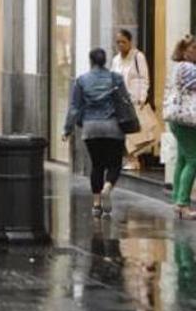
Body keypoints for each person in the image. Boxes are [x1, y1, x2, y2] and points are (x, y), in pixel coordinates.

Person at [64, 48, 131, 217]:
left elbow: (74, 108)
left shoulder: (82, 80)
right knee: (115, 164)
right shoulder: (115, 78)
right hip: (113, 127)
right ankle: (107, 187)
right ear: (105, 60)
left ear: (91, 61)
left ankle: (96, 205)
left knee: (97, 165)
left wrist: (67, 129)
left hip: (91, 128)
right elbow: (125, 102)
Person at [165, 35, 196, 220]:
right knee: (194, 160)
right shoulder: (187, 68)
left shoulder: (178, 67)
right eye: (193, 48)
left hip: (178, 119)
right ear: (185, 50)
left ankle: (177, 199)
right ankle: (183, 203)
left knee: (183, 160)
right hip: (186, 120)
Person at [111, 29, 152, 167]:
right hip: (119, 101)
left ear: (130, 42)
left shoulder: (138, 56)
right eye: (118, 42)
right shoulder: (116, 60)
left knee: (134, 131)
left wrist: (142, 97)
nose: (121, 45)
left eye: (123, 42)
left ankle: (134, 159)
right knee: (122, 131)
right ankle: (128, 158)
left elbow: (144, 78)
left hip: (134, 99)